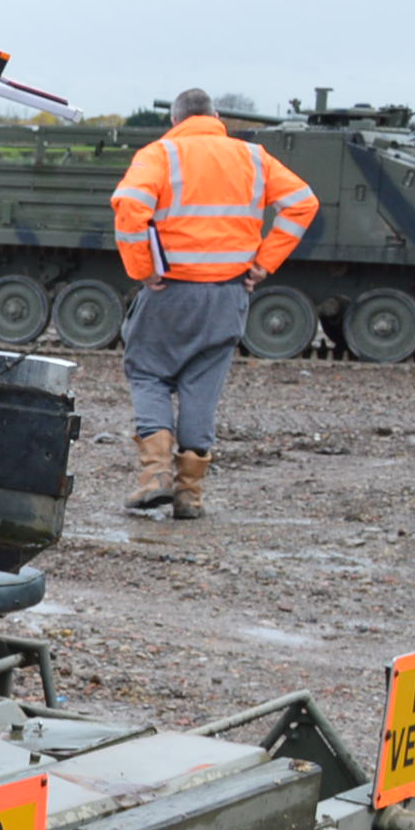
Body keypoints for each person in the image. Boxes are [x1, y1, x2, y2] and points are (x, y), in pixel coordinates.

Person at [109, 89, 318, 518]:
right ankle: (190, 495)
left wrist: (141, 267)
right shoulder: (254, 157)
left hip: (171, 291)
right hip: (228, 294)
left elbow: (131, 204)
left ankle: (155, 477)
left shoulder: (160, 154)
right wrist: (265, 263)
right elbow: (302, 203)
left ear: (175, 120)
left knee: (148, 372)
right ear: (217, 117)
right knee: (202, 383)